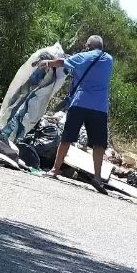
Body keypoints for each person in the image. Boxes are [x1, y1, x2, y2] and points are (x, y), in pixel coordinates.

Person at [35, 35, 114, 194]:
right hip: (100, 107)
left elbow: (61, 63)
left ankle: (55, 170)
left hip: (80, 103)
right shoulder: (109, 59)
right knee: (99, 144)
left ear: (89, 46)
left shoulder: (84, 56)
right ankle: (98, 178)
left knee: (67, 138)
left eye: (86, 46)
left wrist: (46, 63)